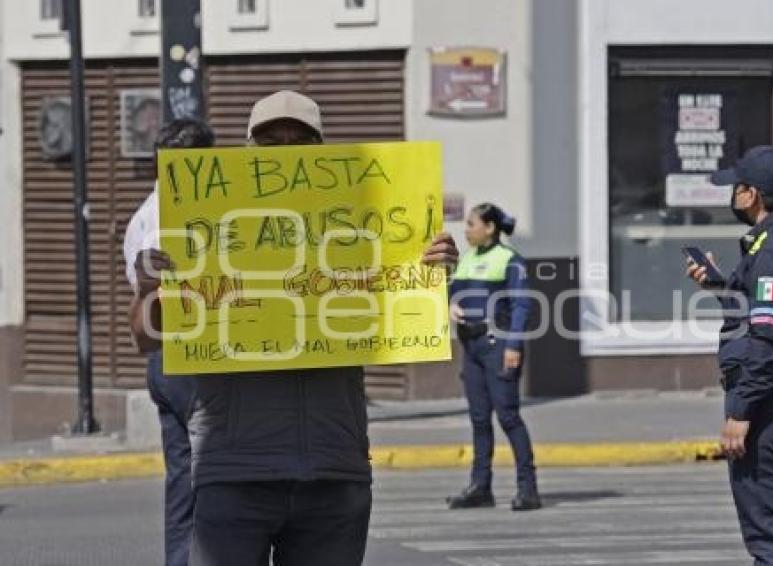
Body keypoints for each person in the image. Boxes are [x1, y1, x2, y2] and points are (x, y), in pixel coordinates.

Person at [131, 90, 460, 566]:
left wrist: (432, 269)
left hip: (334, 475)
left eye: (299, 138)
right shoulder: (207, 220)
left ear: (320, 150)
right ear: (249, 150)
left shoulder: (358, 221)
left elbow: (407, 318)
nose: (285, 148)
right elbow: (145, 337)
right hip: (233, 474)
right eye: (271, 139)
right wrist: (147, 289)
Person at [686, 146, 773, 565]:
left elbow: (767, 339)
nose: (732, 195)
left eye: (736, 187)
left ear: (753, 195)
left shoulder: (772, 253)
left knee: (771, 539)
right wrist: (720, 285)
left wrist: (741, 412)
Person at [124, 118, 216, 566]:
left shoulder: (144, 215)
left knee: (184, 477)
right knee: (207, 477)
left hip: (166, 360)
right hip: (186, 356)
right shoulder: (173, 215)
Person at [446, 203, 540, 511]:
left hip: (497, 345)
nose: (467, 228)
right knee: (478, 418)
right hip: (471, 347)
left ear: (489, 228)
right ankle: (480, 487)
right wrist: (450, 305)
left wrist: (513, 346)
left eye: (472, 223)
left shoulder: (510, 260)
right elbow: (453, 291)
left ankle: (528, 489)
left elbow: (522, 307)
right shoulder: (467, 259)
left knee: (508, 417)